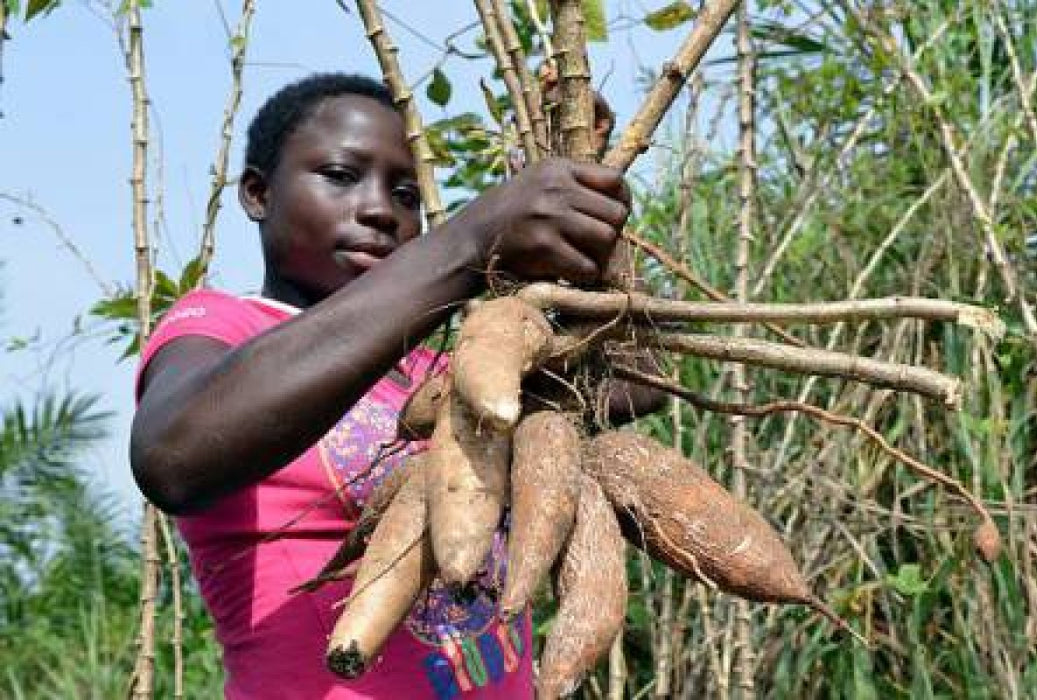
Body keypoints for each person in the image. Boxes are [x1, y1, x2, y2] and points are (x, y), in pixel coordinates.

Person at [130, 72, 657, 699]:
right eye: (340, 176)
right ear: (257, 193)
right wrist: (465, 244)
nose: (380, 209)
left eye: (405, 194)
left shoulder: (433, 375)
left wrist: (587, 197)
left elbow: (633, 381)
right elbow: (172, 458)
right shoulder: (222, 327)